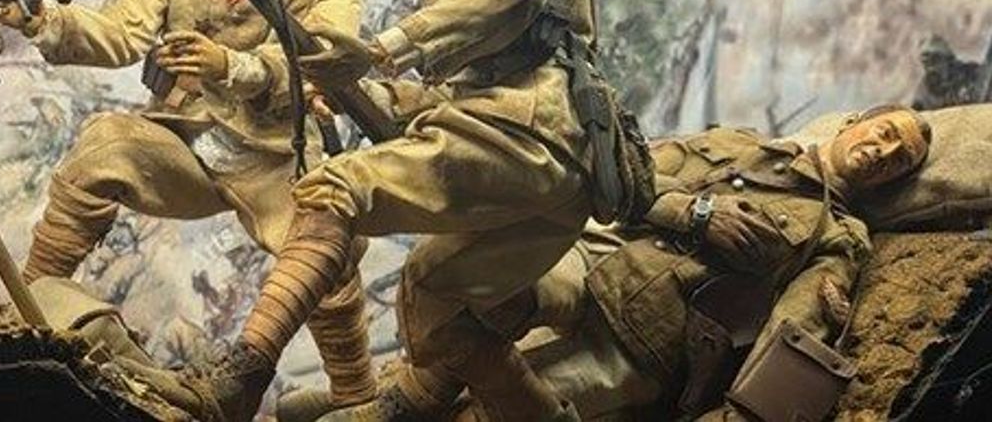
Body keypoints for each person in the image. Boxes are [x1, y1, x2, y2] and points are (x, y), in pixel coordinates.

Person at [152, 0, 619, 422]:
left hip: (534, 133)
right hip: (517, 143)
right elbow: (453, 86)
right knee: (439, 309)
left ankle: (239, 380)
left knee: (332, 190)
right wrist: (355, 91)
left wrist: (379, 52)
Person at [0, 0, 376, 415]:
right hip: (187, 141)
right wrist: (43, 21)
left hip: (273, 154)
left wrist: (230, 65)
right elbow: (122, 32)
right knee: (104, 146)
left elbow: (325, 59)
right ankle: (26, 314)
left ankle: (358, 396)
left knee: (326, 247)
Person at [371, 105, 932, 421]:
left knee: (497, 414)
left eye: (900, 159)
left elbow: (795, 331)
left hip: (647, 342)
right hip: (598, 258)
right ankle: (407, 400)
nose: (883, 152)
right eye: (885, 133)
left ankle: (413, 402)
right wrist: (694, 212)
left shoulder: (839, 236)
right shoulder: (740, 144)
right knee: (474, 294)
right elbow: (628, 179)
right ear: (853, 121)